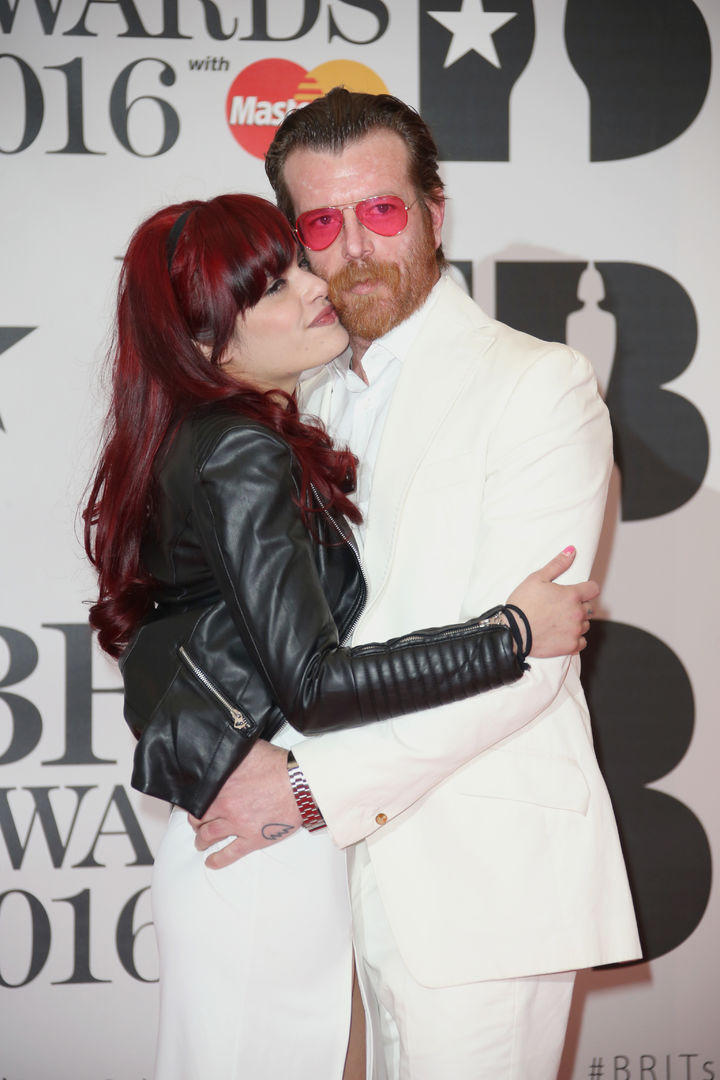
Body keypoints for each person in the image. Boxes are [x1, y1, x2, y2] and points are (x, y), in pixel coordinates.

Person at [83, 192, 597, 1080]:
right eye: (271, 290)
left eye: (293, 264)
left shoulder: (215, 438)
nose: (311, 285)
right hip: (257, 843)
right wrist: (509, 633)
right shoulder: (241, 449)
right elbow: (313, 685)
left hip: (255, 834)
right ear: (211, 344)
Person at [189, 91, 642, 1080]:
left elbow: (528, 665)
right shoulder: (291, 398)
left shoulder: (538, 384)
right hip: (313, 892)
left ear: (436, 211)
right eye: (322, 222)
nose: (354, 248)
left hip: (479, 880)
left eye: (382, 212)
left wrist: (308, 790)